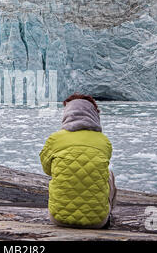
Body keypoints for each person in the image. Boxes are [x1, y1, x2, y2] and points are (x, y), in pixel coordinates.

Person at [39, 93, 116, 229]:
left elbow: (47, 170)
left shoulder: (55, 139)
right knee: (109, 174)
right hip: (97, 222)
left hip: (58, 218)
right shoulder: (104, 141)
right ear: (94, 114)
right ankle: (108, 215)